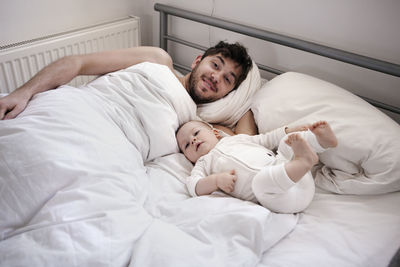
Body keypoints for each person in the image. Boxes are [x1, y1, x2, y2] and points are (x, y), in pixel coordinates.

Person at [0, 41, 257, 134]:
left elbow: (244, 142)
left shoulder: (198, 122)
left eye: (227, 79)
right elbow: (77, 63)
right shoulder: (158, 59)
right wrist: (23, 92)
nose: (216, 77)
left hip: (109, 144)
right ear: (198, 61)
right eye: (216, 65)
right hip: (77, 110)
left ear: (228, 95)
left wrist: (244, 100)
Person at [176, 120, 338, 213]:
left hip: (293, 174)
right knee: (260, 182)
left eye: (196, 133)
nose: (193, 141)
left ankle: (320, 141)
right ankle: (304, 160)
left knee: (286, 143)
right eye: (186, 145)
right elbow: (194, 186)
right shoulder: (203, 164)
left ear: (216, 133)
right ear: (187, 157)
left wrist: (290, 130)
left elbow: (267, 139)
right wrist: (216, 181)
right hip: (283, 197)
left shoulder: (236, 139)